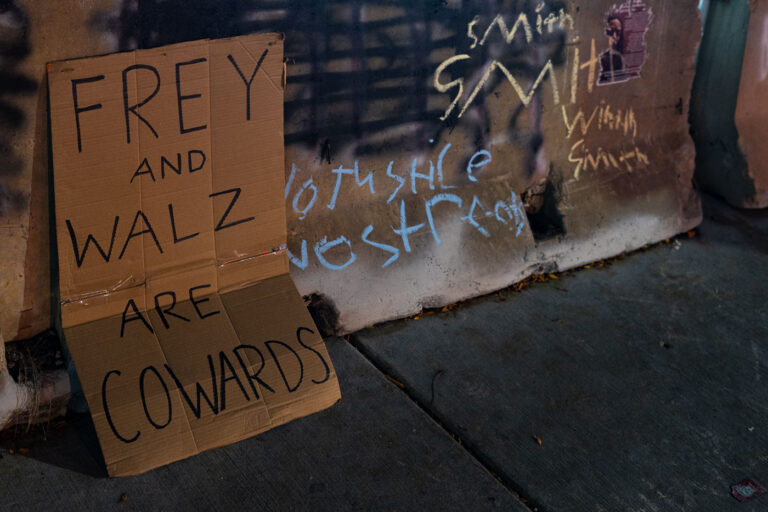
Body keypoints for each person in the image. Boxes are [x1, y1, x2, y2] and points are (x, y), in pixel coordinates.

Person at [598, 14, 628, 84]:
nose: (614, 36)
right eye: (610, 32)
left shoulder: (624, 55)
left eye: (618, 32)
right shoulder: (604, 58)